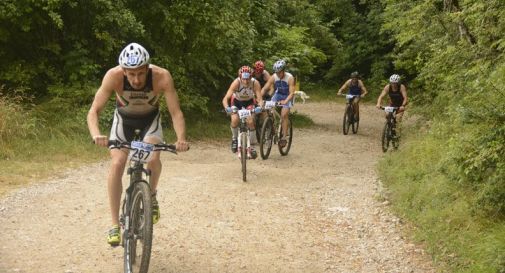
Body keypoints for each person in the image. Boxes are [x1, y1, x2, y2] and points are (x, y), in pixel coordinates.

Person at [87, 42, 189, 246]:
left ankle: (151, 196)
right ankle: (115, 224)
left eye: (140, 73)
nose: (135, 79)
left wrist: (181, 138)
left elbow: (175, 112)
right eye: (130, 74)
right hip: (123, 121)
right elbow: (94, 111)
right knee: (117, 164)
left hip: (149, 121)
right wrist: (96, 134)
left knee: (153, 156)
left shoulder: (162, 77)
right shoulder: (113, 76)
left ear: (148, 69)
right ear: (123, 71)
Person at [222, 65, 263, 159]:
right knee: (235, 120)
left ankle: (252, 146)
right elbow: (225, 99)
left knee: (250, 121)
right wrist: (227, 107)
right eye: (243, 79)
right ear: (240, 77)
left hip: (249, 102)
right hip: (236, 102)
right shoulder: (236, 83)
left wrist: (260, 107)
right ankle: (234, 139)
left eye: (248, 78)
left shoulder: (255, 83)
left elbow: (260, 99)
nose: (245, 81)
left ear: (251, 77)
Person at [260, 59, 295, 147]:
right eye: (276, 72)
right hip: (278, 94)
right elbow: (265, 88)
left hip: (288, 96)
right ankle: (271, 128)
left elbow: (291, 93)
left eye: (280, 72)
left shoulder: (290, 78)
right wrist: (260, 99)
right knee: (267, 109)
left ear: (283, 70)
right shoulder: (274, 76)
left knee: (284, 114)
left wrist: (285, 101)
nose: (278, 74)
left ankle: (284, 137)